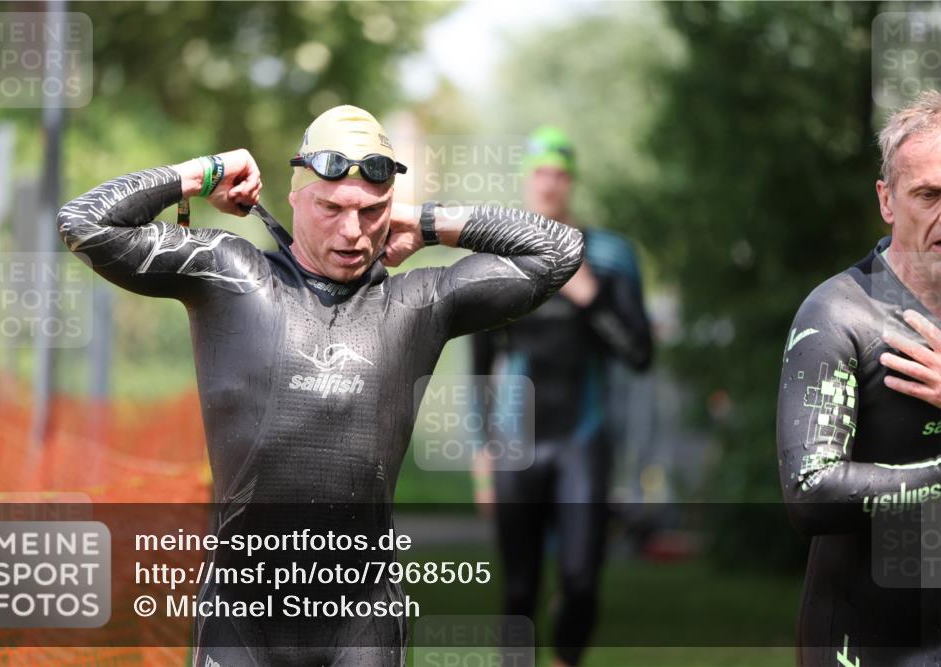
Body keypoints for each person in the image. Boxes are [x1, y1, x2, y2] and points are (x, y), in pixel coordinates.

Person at [57, 105, 584, 666]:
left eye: (371, 211)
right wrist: (205, 172)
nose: (352, 232)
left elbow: (559, 251)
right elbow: (86, 223)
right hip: (241, 622)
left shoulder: (416, 304)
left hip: (361, 626)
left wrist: (426, 223)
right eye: (331, 207)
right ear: (296, 197)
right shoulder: (228, 274)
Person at [471, 126, 653, 667]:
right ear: (527, 180)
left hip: (583, 439)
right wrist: (482, 450)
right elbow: (482, 364)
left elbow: (640, 353)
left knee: (580, 579)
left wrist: (588, 292)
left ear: (570, 181)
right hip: (518, 443)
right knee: (520, 586)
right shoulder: (501, 256)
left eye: (559, 175)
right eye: (539, 174)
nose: (548, 185)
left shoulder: (610, 256)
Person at [777, 90, 941, 666]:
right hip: (867, 645)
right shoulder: (840, 315)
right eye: (929, 194)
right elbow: (811, 494)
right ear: (888, 201)